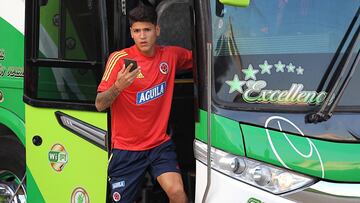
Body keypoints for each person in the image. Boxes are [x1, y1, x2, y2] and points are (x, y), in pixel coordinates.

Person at [95, 4, 192, 203]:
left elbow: (205, 60)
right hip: (126, 149)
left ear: (157, 30)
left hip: (159, 145)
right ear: (131, 33)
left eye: (147, 30)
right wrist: (117, 87)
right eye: (137, 31)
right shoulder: (119, 59)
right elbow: (99, 104)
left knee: (177, 193)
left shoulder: (171, 56)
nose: (142, 36)